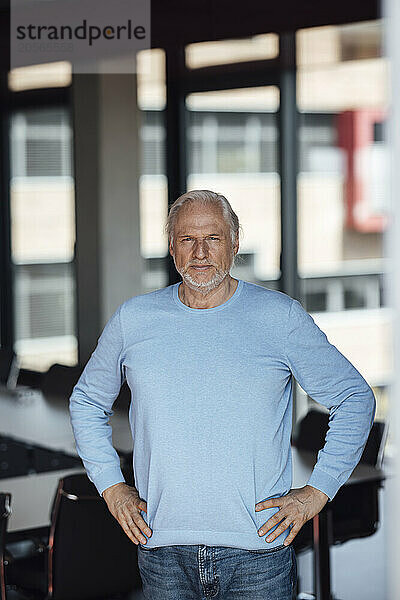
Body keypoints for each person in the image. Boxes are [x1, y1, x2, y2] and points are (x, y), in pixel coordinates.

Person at [69, 190, 376, 600]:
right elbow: (86, 401)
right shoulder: (134, 319)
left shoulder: (279, 317)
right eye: (186, 239)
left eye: (212, 238)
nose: (199, 252)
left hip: (258, 555)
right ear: (171, 248)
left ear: (234, 244)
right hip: (162, 550)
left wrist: (315, 492)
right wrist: (111, 487)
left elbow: (355, 398)